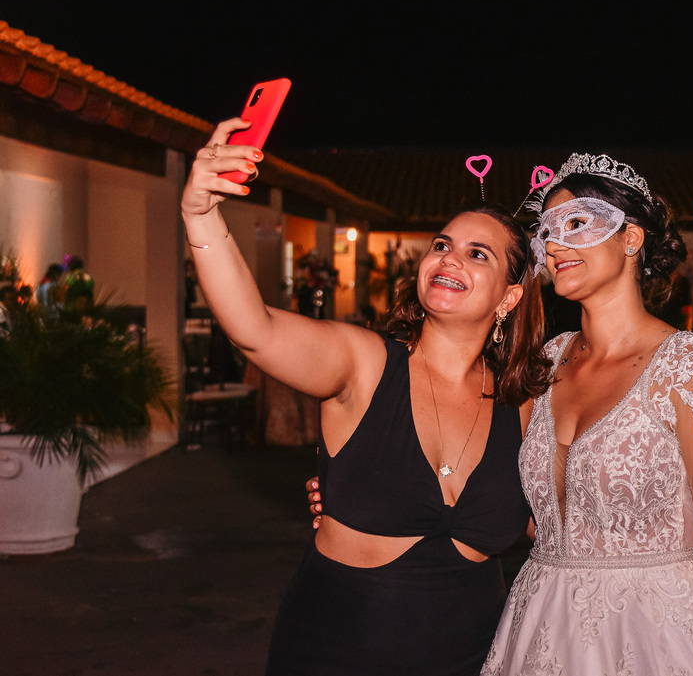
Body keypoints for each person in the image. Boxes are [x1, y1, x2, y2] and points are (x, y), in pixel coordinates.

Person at [183, 118, 550, 675]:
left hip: (473, 656)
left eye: (479, 254)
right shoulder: (364, 362)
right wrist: (201, 215)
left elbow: (551, 527)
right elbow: (254, 329)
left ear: (510, 297)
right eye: (442, 245)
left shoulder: (522, 404)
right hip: (335, 652)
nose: (450, 258)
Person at [482, 154, 693, 675]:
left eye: (576, 224)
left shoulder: (685, 365)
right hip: (542, 624)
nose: (554, 245)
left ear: (631, 238)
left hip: (656, 634)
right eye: (547, 231)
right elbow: (519, 504)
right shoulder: (547, 360)